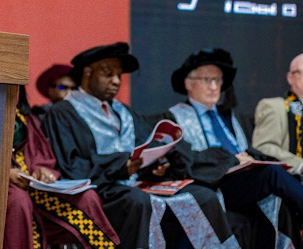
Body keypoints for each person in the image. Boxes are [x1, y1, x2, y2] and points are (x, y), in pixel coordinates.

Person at [43, 42, 238, 249]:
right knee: (137, 202)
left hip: (134, 185)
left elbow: (145, 147)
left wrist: (156, 165)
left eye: (119, 75)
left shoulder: (124, 112)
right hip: (101, 189)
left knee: (202, 196)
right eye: (108, 74)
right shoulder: (64, 112)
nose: (116, 81)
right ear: (88, 73)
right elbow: (71, 166)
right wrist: (120, 166)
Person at [167, 48, 303, 248]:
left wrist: (249, 159)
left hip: (240, 182)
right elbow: (184, 159)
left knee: (277, 194)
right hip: (209, 183)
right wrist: (231, 160)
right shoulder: (173, 119)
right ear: (188, 83)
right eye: (207, 80)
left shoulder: (231, 118)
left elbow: (251, 149)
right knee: (272, 174)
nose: (214, 87)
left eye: (218, 80)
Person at [5, 86, 119, 249]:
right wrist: (5, 174)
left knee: (87, 196)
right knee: (19, 201)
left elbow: (41, 155)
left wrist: (43, 171)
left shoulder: (25, 119)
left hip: (32, 184)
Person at [252, 52, 303, 175]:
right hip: (292, 181)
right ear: (290, 78)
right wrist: (299, 165)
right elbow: (263, 146)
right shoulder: (274, 107)